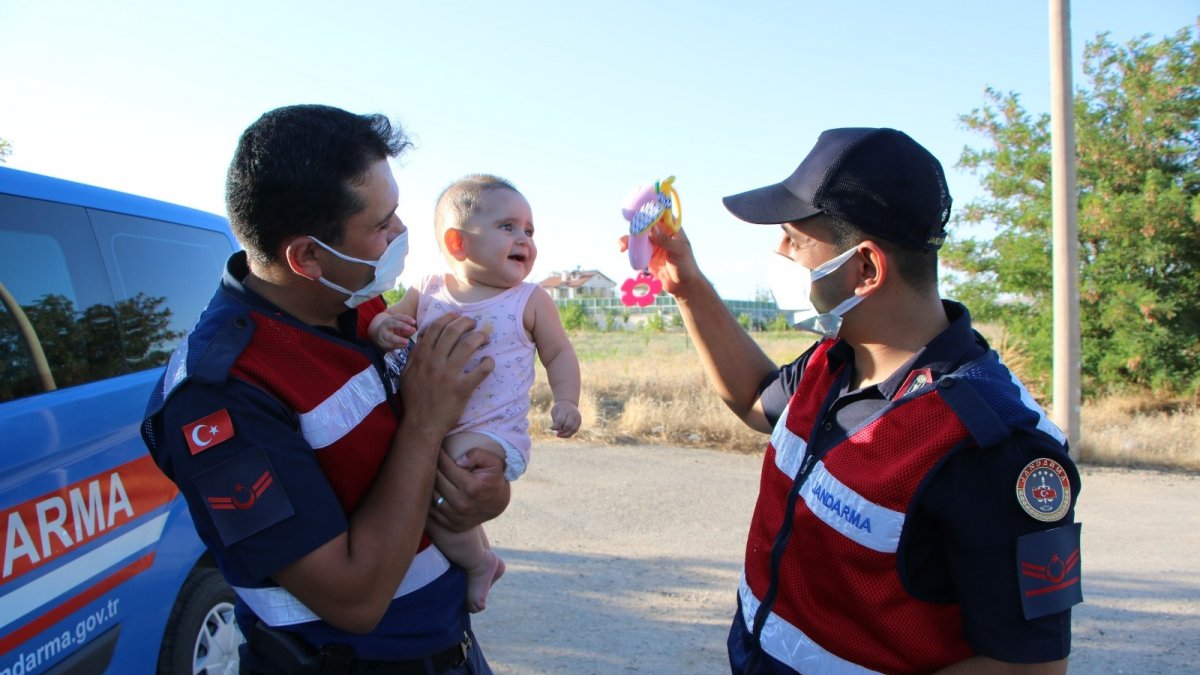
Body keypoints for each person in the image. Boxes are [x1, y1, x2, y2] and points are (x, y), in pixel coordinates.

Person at [650, 128, 1083, 674]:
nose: (779, 252)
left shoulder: (996, 447)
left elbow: (1029, 669)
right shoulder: (834, 359)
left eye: (794, 239)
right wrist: (687, 284)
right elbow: (757, 400)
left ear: (866, 269)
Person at [142, 104, 511, 674]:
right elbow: (352, 599)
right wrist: (426, 420)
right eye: (381, 224)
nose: (401, 234)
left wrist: (480, 493)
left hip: (451, 649)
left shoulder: (359, 304)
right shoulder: (221, 395)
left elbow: (399, 474)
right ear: (308, 256)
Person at [369, 174, 582, 613]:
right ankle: (479, 552)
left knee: (440, 486)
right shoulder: (428, 288)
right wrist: (382, 326)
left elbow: (559, 353)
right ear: (458, 243)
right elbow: (389, 318)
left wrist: (566, 401)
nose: (524, 237)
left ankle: (478, 564)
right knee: (438, 487)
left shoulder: (530, 299)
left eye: (529, 230)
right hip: (433, 422)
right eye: (508, 227)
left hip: (490, 430)